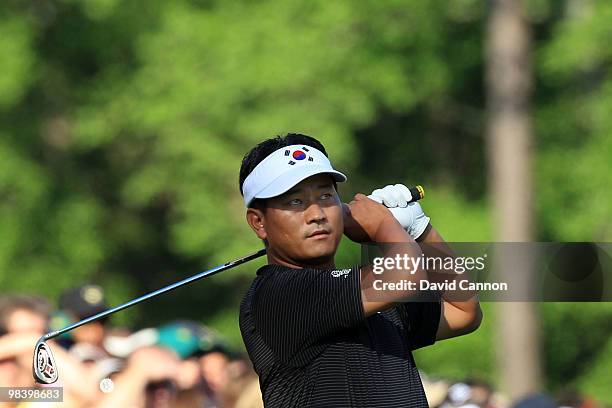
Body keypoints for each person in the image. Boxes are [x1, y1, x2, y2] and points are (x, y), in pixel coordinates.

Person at [238, 133, 482, 407]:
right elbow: (406, 276)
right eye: (295, 202)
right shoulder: (276, 294)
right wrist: (382, 225)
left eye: (326, 196)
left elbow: (464, 311)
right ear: (258, 222)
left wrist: (421, 229)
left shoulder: (372, 292)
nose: (317, 214)